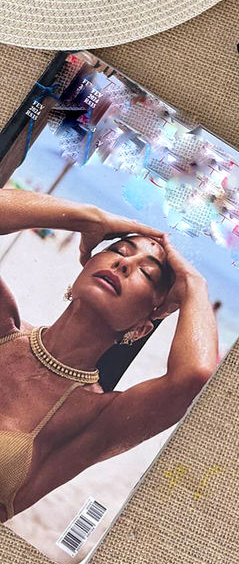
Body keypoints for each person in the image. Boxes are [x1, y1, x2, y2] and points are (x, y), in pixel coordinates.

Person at [0, 189, 218, 520]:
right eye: (119, 251)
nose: (125, 263)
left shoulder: (96, 417)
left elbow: (194, 375)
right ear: (83, 268)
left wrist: (193, 285)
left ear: (141, 329)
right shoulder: (4, 326)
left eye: (147, 273)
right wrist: (91, 219)